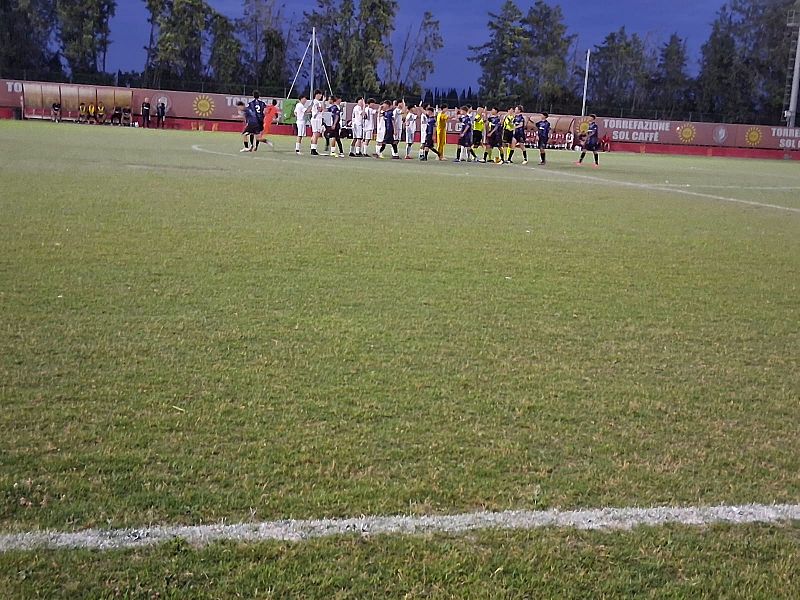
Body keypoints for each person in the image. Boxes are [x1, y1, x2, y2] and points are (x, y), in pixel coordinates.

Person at [309, 90, 325, 156]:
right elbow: (321, 109)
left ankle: (312, 147)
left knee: (315, 134)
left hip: (317, 119)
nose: (321, 96)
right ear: (317, 94)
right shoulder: (316, 102)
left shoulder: (315, 102)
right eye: (320, 94)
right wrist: (323, 102)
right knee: (316, 134)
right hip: (316, 119)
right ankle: (313, 149)